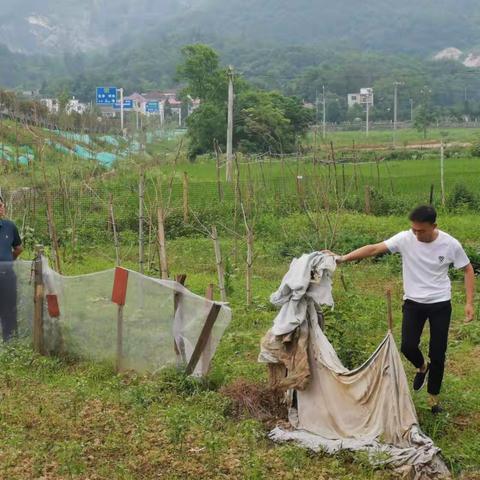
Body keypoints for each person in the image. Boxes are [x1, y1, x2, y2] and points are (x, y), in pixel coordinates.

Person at [331, 205, 475, 414]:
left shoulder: (450, 244)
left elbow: (468, 269)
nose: (416, 234)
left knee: (438, 352)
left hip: (440, 304)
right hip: (413, 303)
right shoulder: (405, 239)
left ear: (433, 226)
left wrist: (469, 303)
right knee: (407, 346)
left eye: (421, 230)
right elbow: (373, 249)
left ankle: (433, 400)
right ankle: (421, 366)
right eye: (414, 229)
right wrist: (342, 258)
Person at [0, 194, 23, 341]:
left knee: (9, 308)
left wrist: (9, 261)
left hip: (7, 275)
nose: (1, 208)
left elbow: (19, 248)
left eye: (1, 205)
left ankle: (10, 340)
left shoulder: (9, 226)